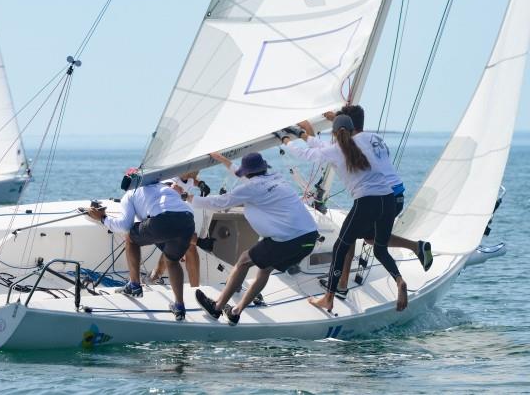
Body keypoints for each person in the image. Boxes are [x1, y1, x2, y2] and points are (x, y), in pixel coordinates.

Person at [280, 114, 409, 312]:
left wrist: (286, 140)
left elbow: (307, 155)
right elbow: (322, 148)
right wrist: (303, 134)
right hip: (388, 199)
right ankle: (399, 280)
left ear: (333, 132)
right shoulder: (363, 140)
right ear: (353, 130)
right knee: (380, 249)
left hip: (368, 201)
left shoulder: (334, 150)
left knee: (341, 247)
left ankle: (329, 298)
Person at [315, 106, 433, 298]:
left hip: (379, 195)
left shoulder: (353, 142)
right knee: (371, 238)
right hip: (396, 195)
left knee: (349, 235)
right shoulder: (374, 138)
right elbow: (348, 132)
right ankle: (416, 247)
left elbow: (344, 139)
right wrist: (335, 119)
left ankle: (342, 285)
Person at [191, 152, 319, 326]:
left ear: (247, 172)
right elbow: (245, 177)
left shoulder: (250, 188)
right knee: (265, 269)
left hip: (289, 239)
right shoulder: (276, 177)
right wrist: (223, 160)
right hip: (310, 237)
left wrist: (189, 198)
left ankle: (216, 307)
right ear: (264, 168)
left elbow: (220, 202)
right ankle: (235, 312)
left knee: (244, 260)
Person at [86, 168, 195, 321]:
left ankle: (134, 285)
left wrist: (103, 218)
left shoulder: (130, 194)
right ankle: (179, 305)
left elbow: (124, 225)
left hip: (163, 220)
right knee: (172, 260)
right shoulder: (164, 187)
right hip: (188, 220)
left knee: (130, 237)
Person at [147, 174, 208, 287]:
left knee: (186, 246)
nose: (194, 175)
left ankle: (194, 288)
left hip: (178, 218)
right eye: (193, 172)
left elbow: (192, 179)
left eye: (196, 173)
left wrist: (200, 184)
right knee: (184, 242)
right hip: (160, 218)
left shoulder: (189, 178)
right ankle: (155, 275)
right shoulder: (173, 179)